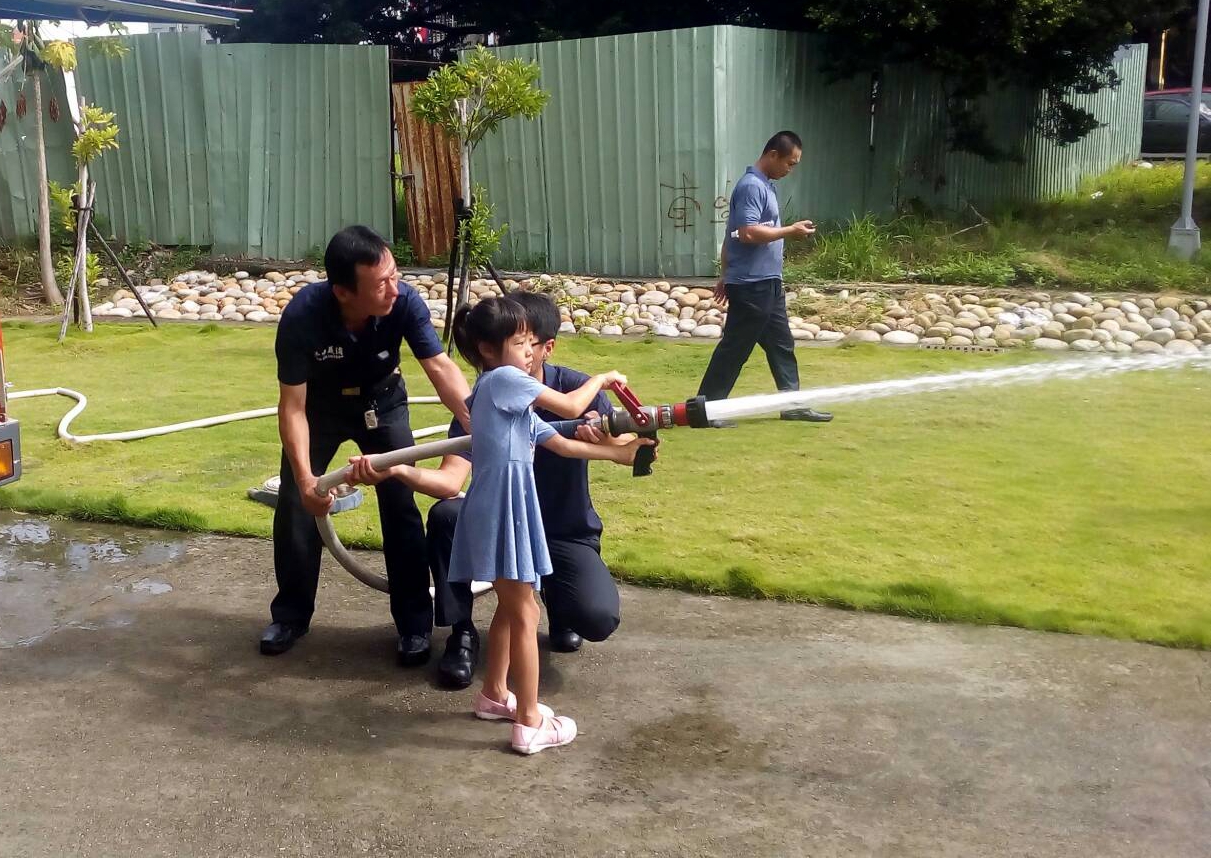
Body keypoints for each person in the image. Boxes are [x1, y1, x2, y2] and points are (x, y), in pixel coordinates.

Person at [446, 296, 652, 754]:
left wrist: (620, 454)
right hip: (501, 509)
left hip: (507, 509)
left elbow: (560, 443)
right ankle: (529, 722)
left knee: (510, 606)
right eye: (520, 343)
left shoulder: (506, 399)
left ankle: (494, 695)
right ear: (488, 350)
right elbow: (572, 405)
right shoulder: (503, 380)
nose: (529, 351)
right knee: (526, 612)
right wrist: (603, 378)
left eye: (531, 343)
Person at [259, 225, 471, 665]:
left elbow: (438, 366)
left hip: (383, 403)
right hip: (320, 409)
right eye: (380, 283)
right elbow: (292, 407)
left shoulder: (404, 301)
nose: (394, 288)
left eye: (395, 275)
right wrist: (306, 479)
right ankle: (291, 616)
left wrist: (477, 421)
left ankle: (414, 625)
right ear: (343, 291)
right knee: (298, 502)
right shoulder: (303, 316)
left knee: (400, 500)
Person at [697, 130, 833, 426]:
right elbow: (747, 233)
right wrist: (790, 231)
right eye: (789, 163)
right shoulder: (751, 187)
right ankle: (706, 411)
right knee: (735, 348)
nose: (790, 169)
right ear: (773, 155)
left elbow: (730, 236)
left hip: (768, 283)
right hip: (752, 286)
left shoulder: (766, 186)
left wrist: (724, 275)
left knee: (782, 346)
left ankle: (792, 406)